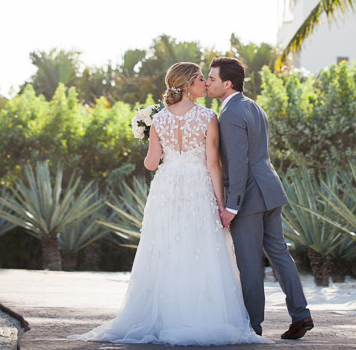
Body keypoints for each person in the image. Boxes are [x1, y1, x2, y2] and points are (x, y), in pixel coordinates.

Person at [68, 62, 269, 346]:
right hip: (198, 187)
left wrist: (151, 140)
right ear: (187, 86)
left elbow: (150, 164)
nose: (204, 83)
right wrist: (222, 204)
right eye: (200, 79)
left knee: (165, 246)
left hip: (166, 188)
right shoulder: (208, 116)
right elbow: (213, 164)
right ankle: (199, 314)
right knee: (198, 246)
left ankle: (163, 316)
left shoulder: (158, 119)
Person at [206, 57, 314, 339]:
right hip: (270, 191)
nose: (207, 83)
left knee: (250, 262)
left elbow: (239, 163)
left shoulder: (229, 114)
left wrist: (232, 205)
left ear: (227, 83)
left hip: (249, 198)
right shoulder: (254, 106)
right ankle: (301, 315)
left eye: (212, 79)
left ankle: (252, 326)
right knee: (280, 255)